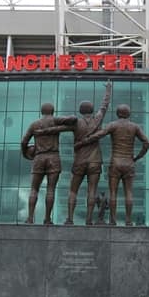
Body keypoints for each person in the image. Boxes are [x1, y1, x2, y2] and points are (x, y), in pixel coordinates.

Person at [36, 82, 112, 225]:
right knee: (92, 190)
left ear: (80, 111)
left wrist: (42, 131)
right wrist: (108, 90)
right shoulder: (98, 118)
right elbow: (104, 105)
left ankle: (70, 219)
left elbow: (57, 129)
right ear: (92, 110)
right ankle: (89, 220)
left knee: (73, 190)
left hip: (79, 161)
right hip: (95, 160)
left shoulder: (76, 122)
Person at [76, 104, 149, 226]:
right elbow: (146, 143)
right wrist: (137, 157)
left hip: (115, 162)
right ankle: (128, 221)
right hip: (129, 162)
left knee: (113, 192)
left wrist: (85, 141)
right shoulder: (135, 127)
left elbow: (100, 134)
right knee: (129, 192)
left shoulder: (113, 125)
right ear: (129, 113)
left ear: (117, 113)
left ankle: (113, 220)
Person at [20, 103, 77, 224]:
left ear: (41, 111)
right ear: (52, 111)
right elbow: (73, 119)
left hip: (39, 158)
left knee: (34, 189)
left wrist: (26, 154)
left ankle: (30, 218)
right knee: (51, 189)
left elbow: (23, 141)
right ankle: (47, 219)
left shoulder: (34, 124)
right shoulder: (55, 120)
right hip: (53, 157)